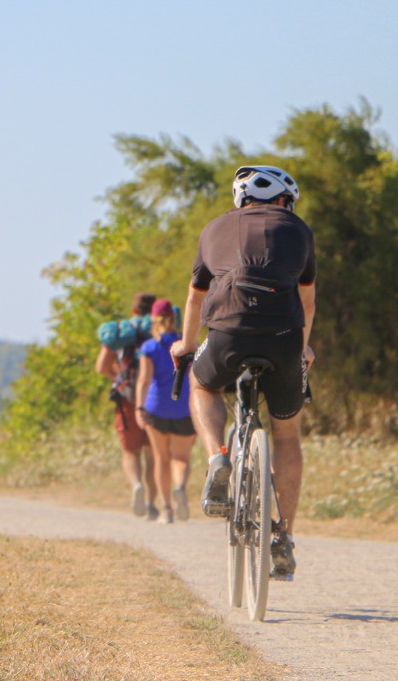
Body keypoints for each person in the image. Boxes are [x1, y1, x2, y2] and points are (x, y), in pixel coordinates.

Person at [170, 166, 316, 579]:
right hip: (284, 337)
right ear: (285, 201)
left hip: (226, 335)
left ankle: (218, 456)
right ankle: (283, 537)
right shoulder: (300, 230)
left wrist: (185, 344)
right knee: (287, 435)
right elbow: (307, 301)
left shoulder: (213, 229)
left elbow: (195, 298)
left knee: (202, 385)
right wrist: (304, 348)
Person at [95, 292, 158, 518]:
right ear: (154, 310)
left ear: (134, 310)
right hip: (154, 398)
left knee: (130, 451)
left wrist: (117, 378)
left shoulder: (121, 331)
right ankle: (152, 503)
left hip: (126, 398)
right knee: (153, 454)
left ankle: (136, 486)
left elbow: (101, 366)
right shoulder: (158, 329)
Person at [134, 298, 196, 524]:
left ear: (153, 320)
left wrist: (139, 408)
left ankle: (167, 509)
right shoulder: (185, 343)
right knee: (181, 458)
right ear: (173, 317)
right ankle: (180, 487)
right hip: (183, 406)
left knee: (161, 458)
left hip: (156, 407)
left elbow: (143, 380)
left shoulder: (150, 347)